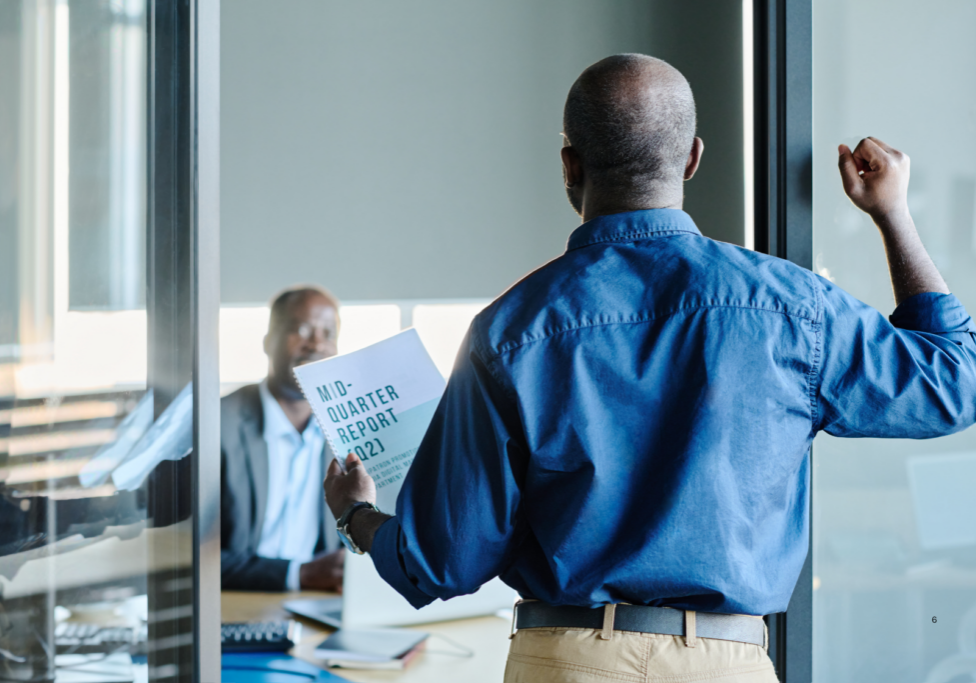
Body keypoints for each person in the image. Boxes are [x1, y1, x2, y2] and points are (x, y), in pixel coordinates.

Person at [324, 54, 976, 681]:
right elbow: (954, 381)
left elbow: (436, 564)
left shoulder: (509, 330)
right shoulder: (791, 308)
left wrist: (357, 515)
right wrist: (891, 214)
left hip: (566, 663)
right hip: (726, 664)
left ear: (568, 165)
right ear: (692, 157)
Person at [221, 285, 345, 592]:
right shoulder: (217, 425)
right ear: (267, 342)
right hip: (232, 605)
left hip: (320, 603)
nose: (317, 344)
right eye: (301, 329)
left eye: (328, 333)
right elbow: (184, 553)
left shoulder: (347, 429)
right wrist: (298, 574)